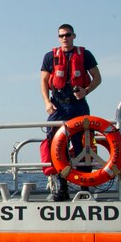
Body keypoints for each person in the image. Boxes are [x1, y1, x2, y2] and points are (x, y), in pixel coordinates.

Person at [40, 23, 101, 200]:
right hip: (58, 105)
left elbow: (97, 78)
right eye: (61, 36)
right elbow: (43, 81)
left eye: (67, 35)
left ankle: (84, 188)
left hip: (78, 105)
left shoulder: (85, 55)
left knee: (83, 144)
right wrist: (46, 102)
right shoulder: (50, 57)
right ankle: (63, 188)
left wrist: (86, 91)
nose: (64, 38)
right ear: (58, 38)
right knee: (56, 145)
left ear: (74, 36)